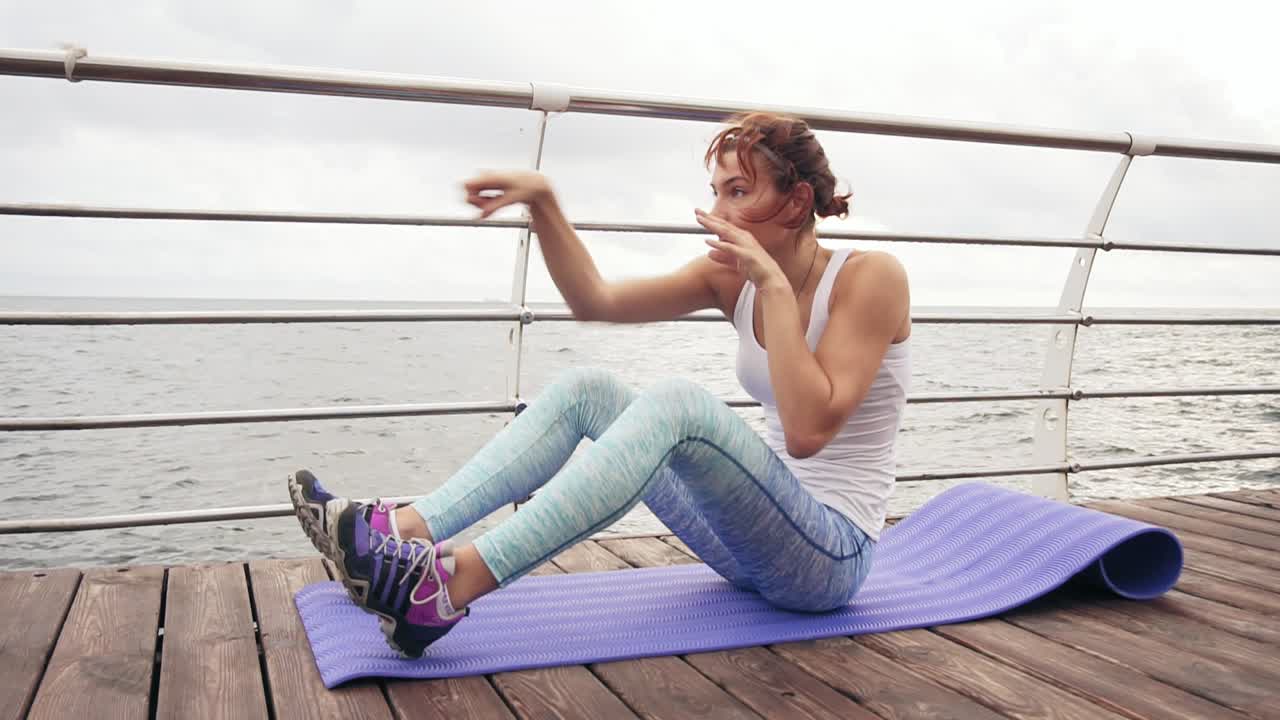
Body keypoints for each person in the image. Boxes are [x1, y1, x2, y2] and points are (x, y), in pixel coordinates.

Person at [288, 111, 912, 659]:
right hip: (749, 548)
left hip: (829, 561)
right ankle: (398, 534)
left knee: (679, 405)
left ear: (796, 203)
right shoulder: (730, 278)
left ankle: (442, 589)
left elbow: (806, 432)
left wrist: (772, 285)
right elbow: (595, 299)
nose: (718, 213)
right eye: (717, 192)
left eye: (739, 192)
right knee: (590, 390)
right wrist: (544, 202)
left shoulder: (871, 278)